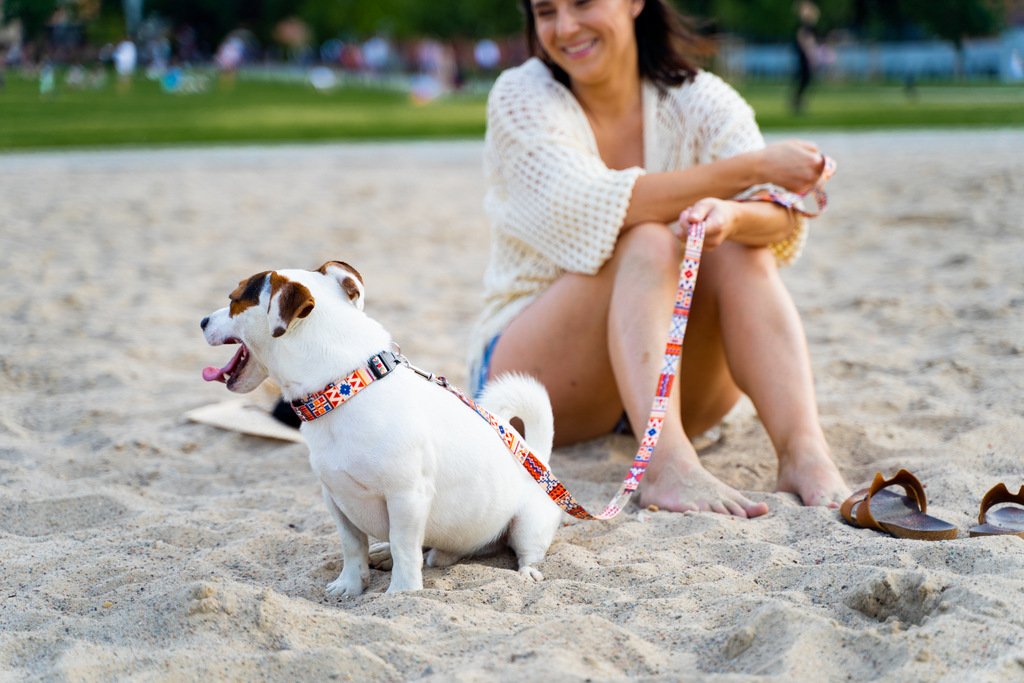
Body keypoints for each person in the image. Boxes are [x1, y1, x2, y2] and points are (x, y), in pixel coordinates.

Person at [467, 0, 851, 518]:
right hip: (543, 376)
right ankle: (665, 465)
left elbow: (782, 215)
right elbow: (602, 204)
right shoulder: (521, 95)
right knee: (649, 237)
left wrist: (732, 217)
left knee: (737, 243)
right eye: (546, 11)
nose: (565, 27)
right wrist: (753, 168)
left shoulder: (700, 98)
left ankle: (804, 451)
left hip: (676, 378)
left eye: (582, 3)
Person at [792, 0, 819, 114]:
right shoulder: (804, 26)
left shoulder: (807, 25)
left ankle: (798, 100)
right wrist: (809, 52)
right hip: (803, 54)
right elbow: (803, 37)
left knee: (805, 78)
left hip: (804, 53)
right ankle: (797, 101)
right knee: (804, 77)